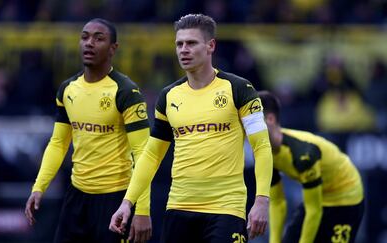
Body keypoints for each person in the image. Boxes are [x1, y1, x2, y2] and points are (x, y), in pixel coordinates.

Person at [109, 13, 273, 242]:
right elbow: (152, 154)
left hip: (226, 208)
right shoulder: (168, 96)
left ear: (210, 46)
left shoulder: (239, 88)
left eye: (191, 43)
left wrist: (262, 200)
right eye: (179, 44)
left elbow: (262, 146)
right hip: (178, 207)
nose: (183, 50)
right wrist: (128, 202)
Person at [24, 18, 152, 243]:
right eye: (85, 37)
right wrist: (39, 186)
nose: (89, 43)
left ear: (113, 49)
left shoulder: (126, 92)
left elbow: (143, 153)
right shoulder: (68, 89)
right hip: (76, 197)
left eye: (98, 38)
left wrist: (142, 209)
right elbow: (58, 143)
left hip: (115, 198)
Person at [258, 90, 364, 243]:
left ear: (270, 119)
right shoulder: (264, 153)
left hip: (346, 199)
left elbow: (314, 210)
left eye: (252, 122)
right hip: (318, 198)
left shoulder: (302, 154)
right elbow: (277, 202)